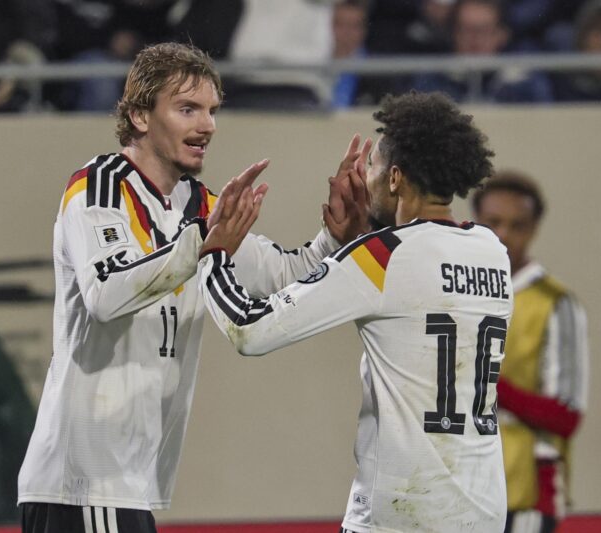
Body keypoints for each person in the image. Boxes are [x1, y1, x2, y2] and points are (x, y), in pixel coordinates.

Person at [17, 42, 368, 533]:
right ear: (140, 115)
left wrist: (337, 234)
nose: (207, 126)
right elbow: (106, 295)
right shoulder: (97, 186)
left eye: (212, 111)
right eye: (187, 109)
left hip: (124, 483)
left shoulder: (200, 205)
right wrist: (203, 241)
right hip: (84, 479)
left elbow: (286, 276)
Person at [200, 91, 510, 533]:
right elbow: (417, 284)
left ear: (396, 178)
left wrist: (213, 255)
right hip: (482, 511)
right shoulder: (490, 251)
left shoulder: (381, 256)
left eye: (373, 168)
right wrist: (353, 239)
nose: (365, 178)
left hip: (402, 516)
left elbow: (250, 330)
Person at [471, 171, 589, 533]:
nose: (504, 235)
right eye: (493, 223)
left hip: (527, 489)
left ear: (534, 228)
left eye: (517, 225)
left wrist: (488, 383)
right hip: (462, 481)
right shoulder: (462, 293)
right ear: (475, 222)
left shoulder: (555, 303)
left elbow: (565, 415)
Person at [412, 0, 553, 104]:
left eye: (483, 30)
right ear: (453, 33)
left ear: (501, 34)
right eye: (466, 29)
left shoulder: (524, 78)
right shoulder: (434, 77)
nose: (474, 39)